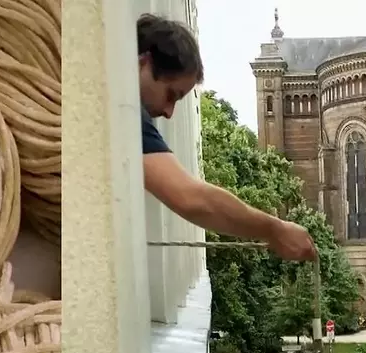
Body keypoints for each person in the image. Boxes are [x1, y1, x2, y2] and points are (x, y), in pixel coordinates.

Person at [136, 14, 317, 261]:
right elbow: (193, 200)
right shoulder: (128, 113)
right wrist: (276, 230)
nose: (168, 113)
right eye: (171, 95)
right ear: (142, 64)